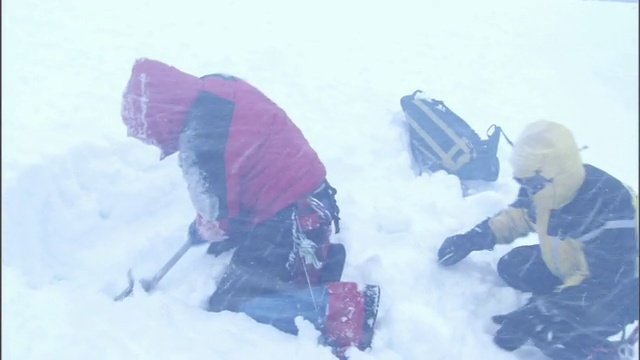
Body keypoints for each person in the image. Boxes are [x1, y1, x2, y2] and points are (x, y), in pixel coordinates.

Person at [120, 58, 380, 357]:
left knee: (232, 303)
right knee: (246, 266)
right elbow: (234, 170)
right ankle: (317, 263)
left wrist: (205, 228)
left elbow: (218, 218)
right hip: (312, 198)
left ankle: (345, 309)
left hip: (295, 217)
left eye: (152, 136)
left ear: (161, 119)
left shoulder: (198, 139)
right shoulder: (215, 85)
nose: (159, 144)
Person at [436, 120, 639, 359]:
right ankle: (564, 302)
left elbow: (604, 281)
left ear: (557, 173)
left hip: (621, 288)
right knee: (513, 266)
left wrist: (542, 312)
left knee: (552, 334)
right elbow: (520, 215)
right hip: (572, 266)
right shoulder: (542, 186)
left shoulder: (612, 210)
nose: (526, 188)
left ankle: (593, 347)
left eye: (530, 183)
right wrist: (473, 238)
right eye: (521, 181)